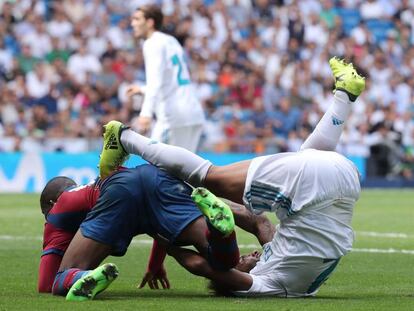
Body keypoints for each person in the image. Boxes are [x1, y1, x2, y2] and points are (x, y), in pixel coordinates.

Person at [98, 57, 366, 297]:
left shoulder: (300, 279)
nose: (248, 256)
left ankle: (344, 96)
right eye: (239, 264)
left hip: (345, 179)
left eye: (241, 260)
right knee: (210, 176)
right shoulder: (269, 283)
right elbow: (204, 266)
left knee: (309, 155)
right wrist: (163, 236)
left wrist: (198, 207)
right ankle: (124, 138)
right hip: (317, 185)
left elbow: (259, 222)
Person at [38, 166, 272, 300]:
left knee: (60, 280)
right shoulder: (95, 181)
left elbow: (45, 284)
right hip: (153, 178)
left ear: (51, 203)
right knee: (223, 259)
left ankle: (83, 277)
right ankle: (222, 231)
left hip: (119, 195)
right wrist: (154, 265)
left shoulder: (60, 208)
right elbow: (159, 234)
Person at [126, 5, 204, 152]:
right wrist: (142, 89)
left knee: (158, 168)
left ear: (150, 22)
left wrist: (145, 114)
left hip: (173, 117)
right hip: (192, 113)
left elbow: (155, 81)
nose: (133, 23)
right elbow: (170, 79)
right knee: (183, 172)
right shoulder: (170, 40)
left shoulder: (151, 43)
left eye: (137, 19)